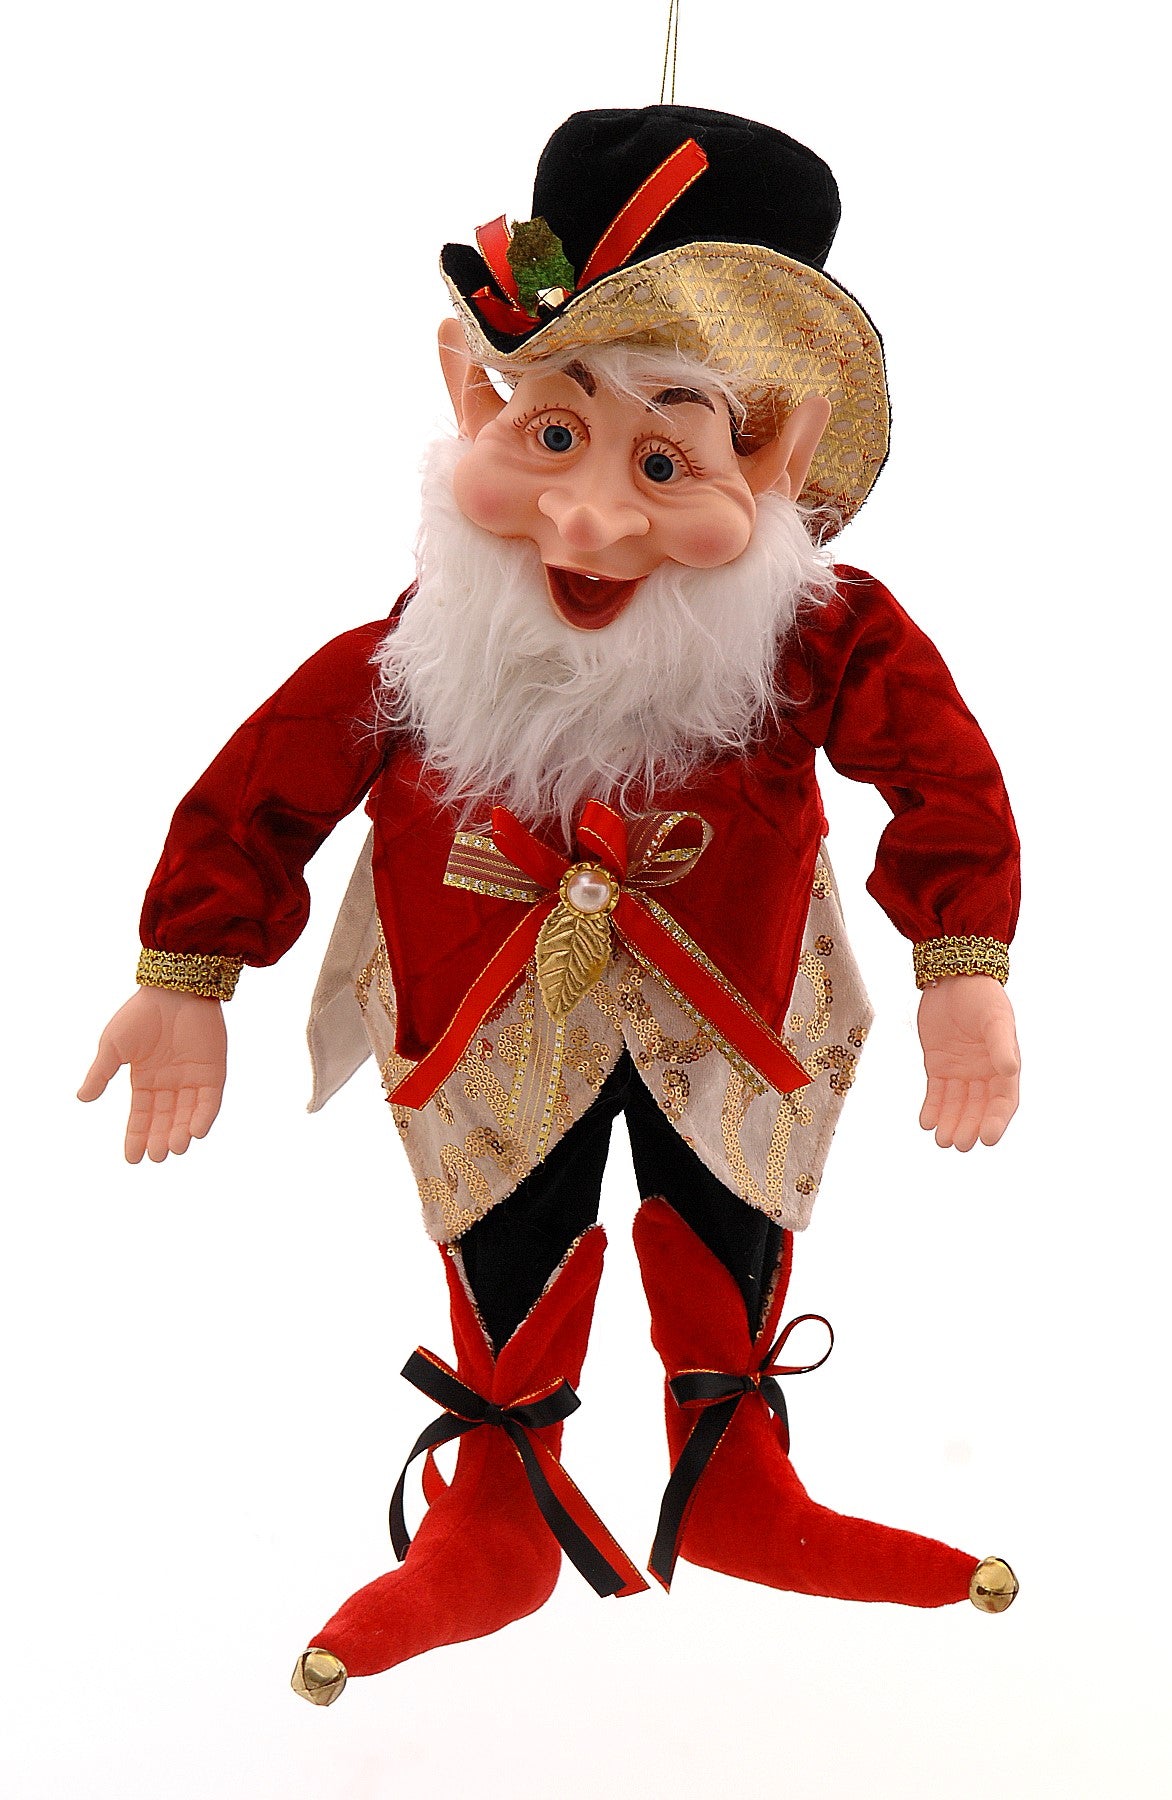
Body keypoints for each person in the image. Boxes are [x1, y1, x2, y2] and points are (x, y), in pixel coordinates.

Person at [79, 105, 1022, 1707]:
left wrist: (964, 961)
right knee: (508, 1209)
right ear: (475, 401)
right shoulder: (427, 641)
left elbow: (939, 771)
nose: (586, 522)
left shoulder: (814, 636)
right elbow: (270, 781)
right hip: (479, 1013)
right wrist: (188, 971)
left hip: (735, 1007)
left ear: (776, 461)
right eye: (551, 439)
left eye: (664, 462)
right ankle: (502, 1497)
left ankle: (733, 1470)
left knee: (724, 1191)